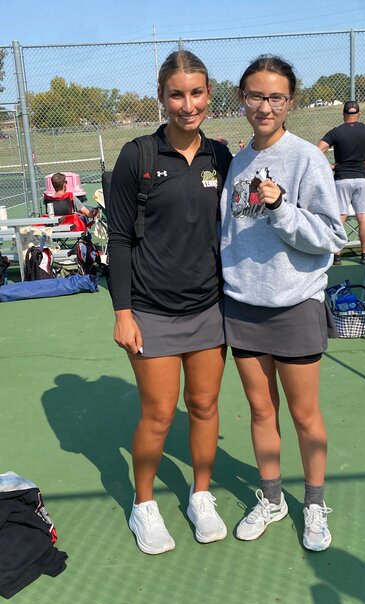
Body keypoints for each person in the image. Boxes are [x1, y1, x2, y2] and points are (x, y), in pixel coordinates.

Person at [107, 50, 232, 554]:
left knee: (203, 406)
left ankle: (201, 496)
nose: (187, 104)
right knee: (158, 415)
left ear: (209, 95)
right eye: (177, 94)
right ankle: (144, 505)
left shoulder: (221, 157)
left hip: (209, 308)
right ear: (162, 97)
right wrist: (122, 312)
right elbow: (118, 238)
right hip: (150, 312)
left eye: (196, 93)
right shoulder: (136, 156)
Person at [220, 55, 347, 552]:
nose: (265, 106)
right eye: (255, 95)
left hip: (295, 306)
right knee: (259, 410)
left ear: (290, 102)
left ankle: (313, 505)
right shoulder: (236, 162)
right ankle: (272, 499)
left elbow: (331, 236)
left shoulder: (306, 159)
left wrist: (280, 209)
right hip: (244, 307)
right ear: (242, 99)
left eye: (275, 97)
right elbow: (228, 232)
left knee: (304, 415)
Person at [318, 101, 365, 265]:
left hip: (342, 178)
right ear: (359, 114)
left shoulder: (336, 131)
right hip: (362, 179)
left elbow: (317, 149)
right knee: (362, 216)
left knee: (340, 217)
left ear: (344, 115)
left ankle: (336, 254)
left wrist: (329, 166)